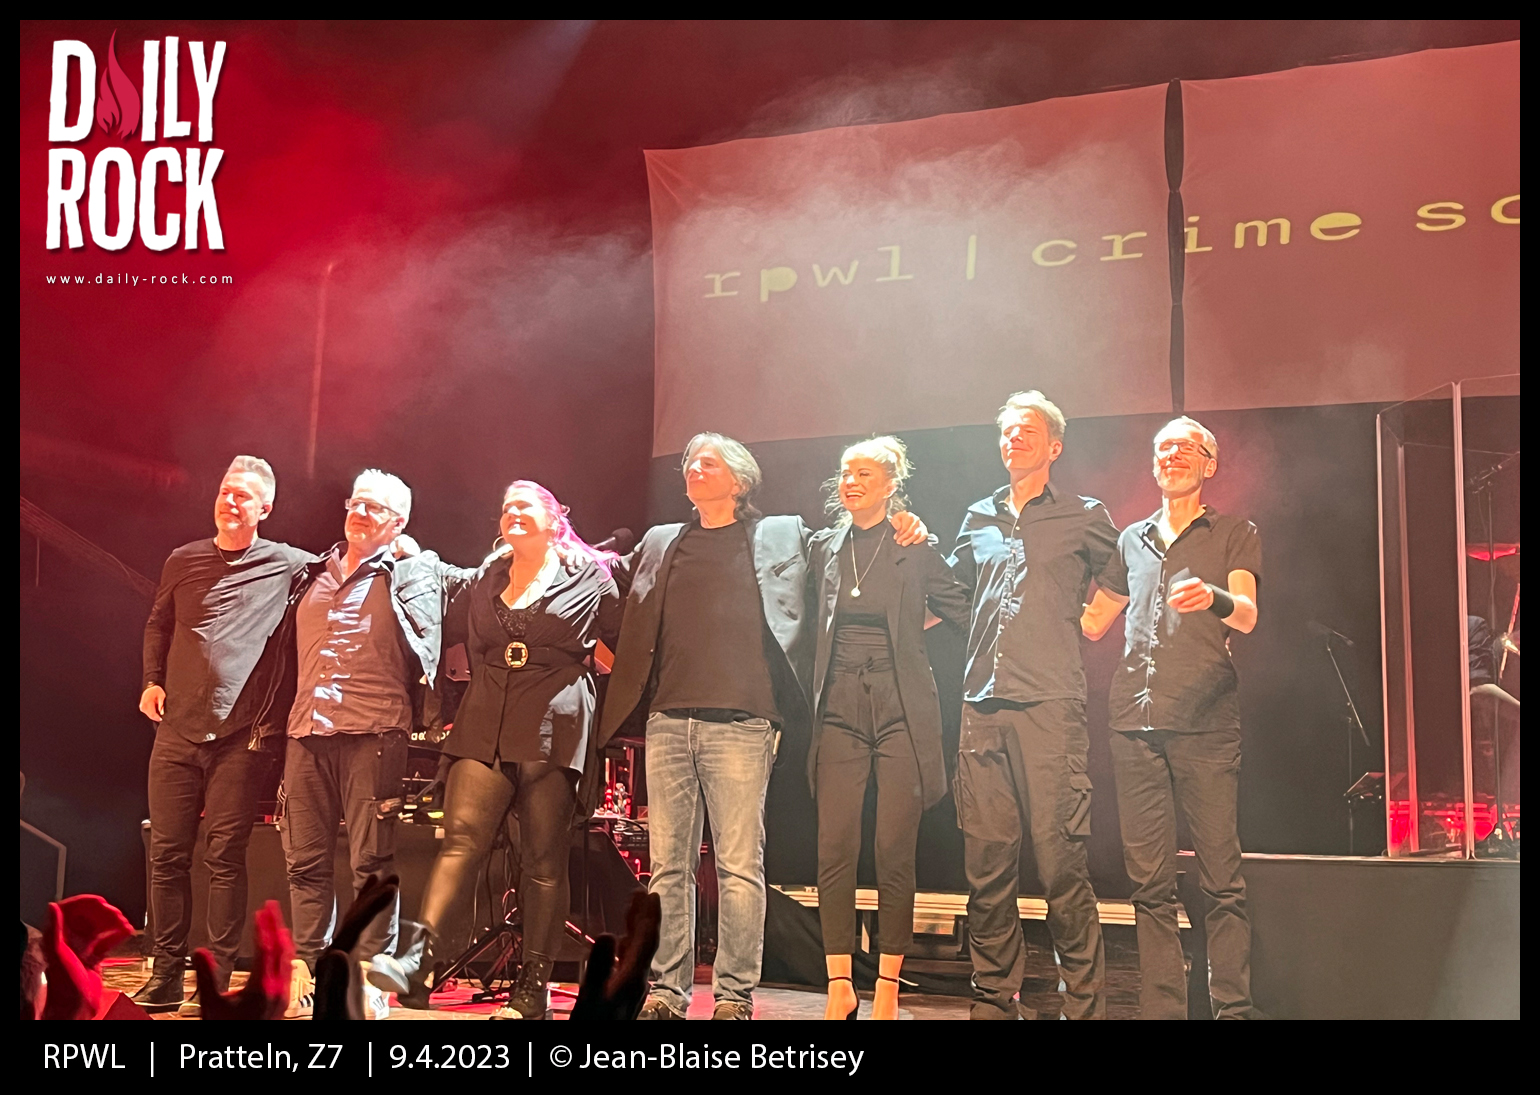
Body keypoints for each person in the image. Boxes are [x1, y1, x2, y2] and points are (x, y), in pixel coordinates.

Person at [601, 432, 927, 1021]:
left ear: (740, 479)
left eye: (709, 462)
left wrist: (904, 522)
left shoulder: (781, 532)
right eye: (689, 462)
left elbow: (853, 540)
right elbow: (603, 581)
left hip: (744, 723)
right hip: (669, 720)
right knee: (668, 867)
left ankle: (733, 996)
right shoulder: (662, 540)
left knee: (738, 866)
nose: (695, 468)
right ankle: (667, 992)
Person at [367, 481, 623, 1020]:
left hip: (554, 720)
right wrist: (408, 552)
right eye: (506, 508)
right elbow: (440, 591)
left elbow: (627, 642)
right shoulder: (487, 575)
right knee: (461, 841)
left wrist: (613, 714)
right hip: (486, 717)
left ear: (554, 518)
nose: (512, 513)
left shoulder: (591, 577)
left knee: (542, 859)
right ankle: (418, 962)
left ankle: (533, 987)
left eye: (524, 506)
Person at [260, 469, 474, 1019]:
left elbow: (476, 581)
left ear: (398, 523)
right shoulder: (311, 573)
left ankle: (367, 977)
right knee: (304, 862)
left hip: (375, 732)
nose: (360, 513)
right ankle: (314, 974)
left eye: (375, 508)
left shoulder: (414, 572)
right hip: (306, 732)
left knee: (371, 864)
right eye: (356, 503)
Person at [1081, 415, 1261, 1019]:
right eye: (1163, 448)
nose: (1173, 455)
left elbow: (1247, 614)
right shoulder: (1131, 540)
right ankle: (1163, 1010)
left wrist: (1213, 596)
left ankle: (1232, 1008)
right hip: (1134, 723)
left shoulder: (1233, 532)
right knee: (1148, 884)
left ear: (1210, 463)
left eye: (1187, 447)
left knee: (1220, 878)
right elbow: (1094, 621)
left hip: (1206, 721)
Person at [948, 391, 1118, 1020]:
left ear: (1055, 446)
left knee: (1060, 862)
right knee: (987, 865)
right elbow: (950, 591)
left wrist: (1096, 618)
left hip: (1050, 705)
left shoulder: (1083, 514)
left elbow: (1126, 569)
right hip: (982, 707)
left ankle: (1084, 1005)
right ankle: (995, 998)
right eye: (1007, 431)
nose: (1013, 438)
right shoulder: (978, 516)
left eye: (1027, 430)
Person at [136, 456, 313, 1012]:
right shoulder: (183, 559)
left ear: (265, 508)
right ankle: (166, 973)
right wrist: (151, 680)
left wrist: (405, 553)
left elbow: (349, 565)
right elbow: (158, 623)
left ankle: (213, 977)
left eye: (243, 496)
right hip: (176, 730)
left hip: (242, 736)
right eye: (225, 491)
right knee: (166, 855)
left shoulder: (287, 563)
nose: (230, 501)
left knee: (224, 856)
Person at [807, 437, 970, 1020]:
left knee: (893, 850)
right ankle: (839, 984)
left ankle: (888, 988)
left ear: (891, 485)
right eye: (845, 472)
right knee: (835, 847)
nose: (851, 482)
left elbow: (963, 608)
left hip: (901, 709)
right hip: (840, 708)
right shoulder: (824, 547)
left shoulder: (913, 547)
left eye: (864, 474)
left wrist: (909, 625)